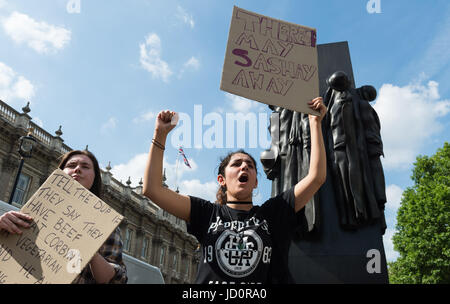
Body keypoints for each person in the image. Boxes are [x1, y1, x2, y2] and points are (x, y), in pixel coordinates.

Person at [143, 97, 327, 284]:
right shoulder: (206, 213)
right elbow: (152, 189)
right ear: (221, 180)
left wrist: (314, 122)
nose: (244, 167)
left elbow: (316, 177)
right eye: (237, 164)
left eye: (250, 165)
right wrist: (160, 134)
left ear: (256, 182)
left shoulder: (272, 213)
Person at [0, 149, 128, 284]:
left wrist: (90, 250)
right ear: (60, 171)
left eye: (85, 167)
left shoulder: (107, 225)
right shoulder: (37, 206)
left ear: (95, 177)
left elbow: (117, 280)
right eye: (71, 165)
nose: (77, 169)